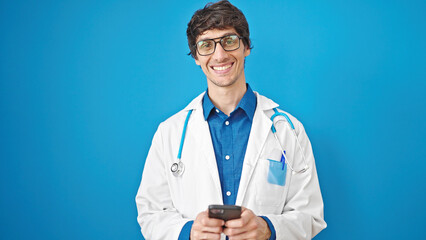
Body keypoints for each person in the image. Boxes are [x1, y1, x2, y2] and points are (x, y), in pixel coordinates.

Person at [135, 1, 326, 239]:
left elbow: (310, 215)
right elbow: (150, 213)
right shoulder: (170, 132)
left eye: (229, 41)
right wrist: (189, 232)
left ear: (246, 46)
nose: (220, 55)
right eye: (206, 45)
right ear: (196, 56)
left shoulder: (288, 129)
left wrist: (268, 228)